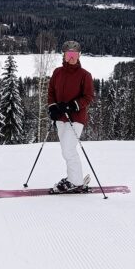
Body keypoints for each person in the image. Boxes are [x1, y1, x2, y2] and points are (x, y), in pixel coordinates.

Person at [46, 40, 95, 193]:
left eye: (74, 54)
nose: (71, 57)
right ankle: (73, 178)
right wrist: (53, 108)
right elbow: (51, 92)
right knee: (66, 150)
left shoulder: (85, 75)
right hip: (61, 118)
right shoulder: (57, 72)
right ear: (64, 55)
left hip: (76, 118)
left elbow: (88, 97)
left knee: (68, 149)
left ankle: (75, 181)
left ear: (79, 55)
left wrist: (73, 105)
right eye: (69, 54)